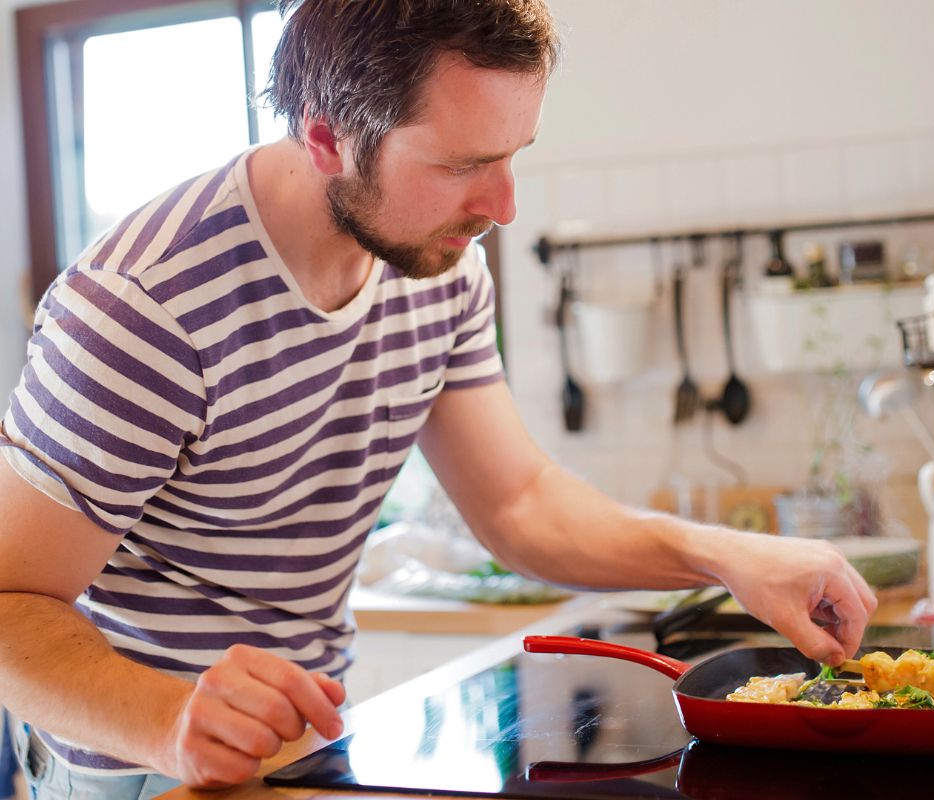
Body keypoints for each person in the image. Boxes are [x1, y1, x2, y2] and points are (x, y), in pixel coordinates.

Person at [0, 0, 876, 795]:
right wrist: (169, 721)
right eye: (464, 165)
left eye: (512, 157)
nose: (502, 206)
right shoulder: (144, 310)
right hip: (138, 769)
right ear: (326, 138)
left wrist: (727, 556)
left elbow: (520, 503)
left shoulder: (435, 266)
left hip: (310, 747)